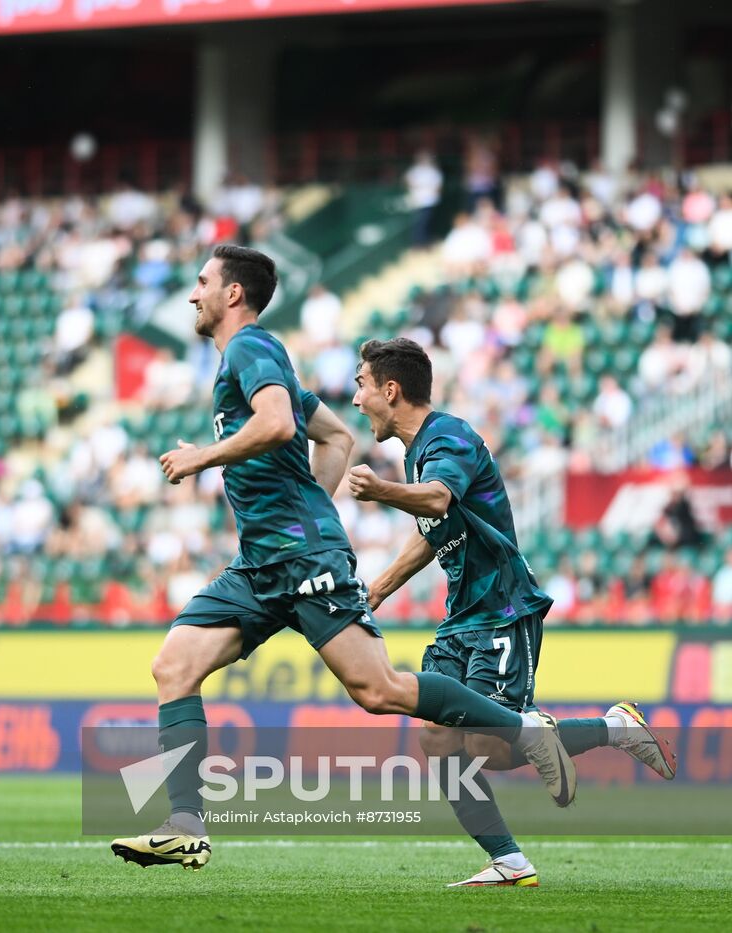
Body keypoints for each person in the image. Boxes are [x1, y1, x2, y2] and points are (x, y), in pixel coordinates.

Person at [109, 246, 574, 873]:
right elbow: (335, 436)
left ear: (233, 294)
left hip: (300, 559)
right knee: (174, 667)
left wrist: (205, 458)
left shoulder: (251, 348)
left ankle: (527, 734)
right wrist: (310, 503)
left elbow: (276, 426)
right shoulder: (252, 363)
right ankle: (186, 824)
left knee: (378, 691)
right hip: (262, 562)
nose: (193, 295)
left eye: (201, 283)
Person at [348, 337, 677, 887]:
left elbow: (437, 500)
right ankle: (508, 859)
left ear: (390, 389)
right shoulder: (419, 449)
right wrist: (379, 588)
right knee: (435, 737)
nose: (356, 399)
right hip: (461, 616)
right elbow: (436, 532)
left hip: (502, 608)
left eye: (361, 385)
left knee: (487, 747)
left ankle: (615, 728)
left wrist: (381, 490)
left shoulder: (447, 437)